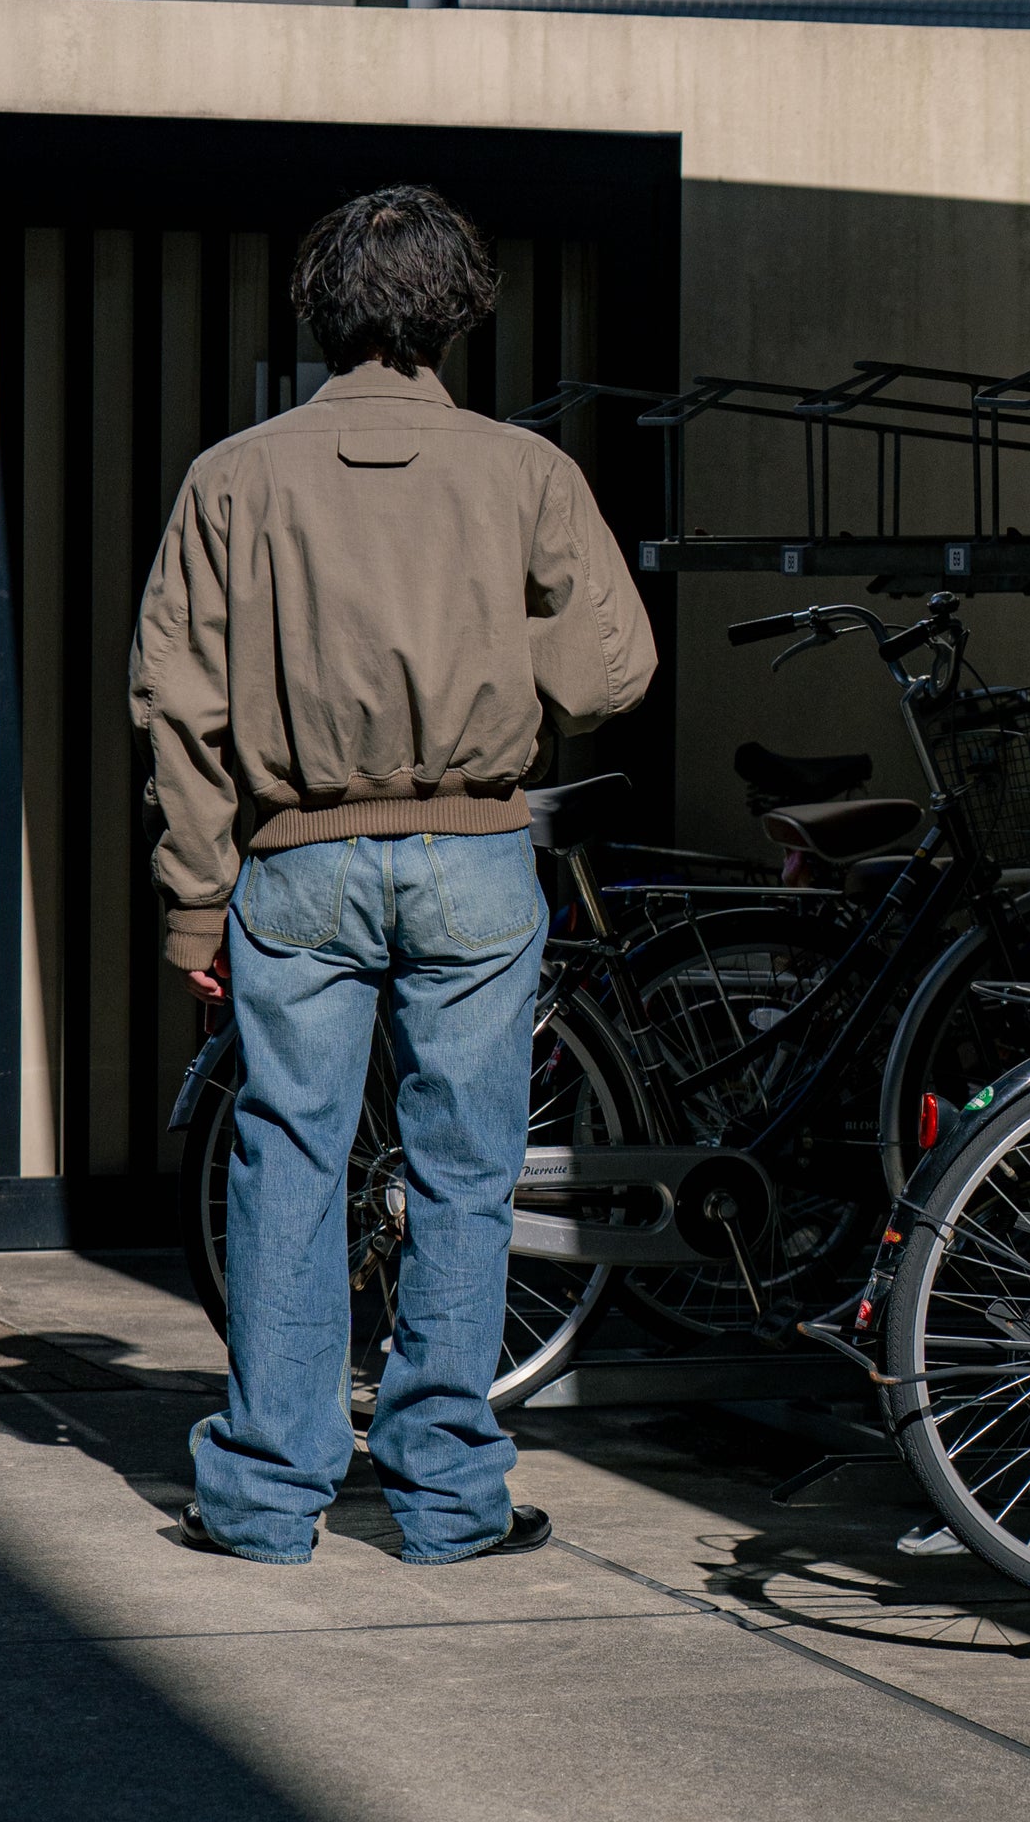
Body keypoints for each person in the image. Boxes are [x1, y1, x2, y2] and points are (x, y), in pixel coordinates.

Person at [129, 184, 656, 1565]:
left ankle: (261, 1498)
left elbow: (175, 705)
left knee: (287, 1164)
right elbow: (614, 666)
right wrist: (498, 658)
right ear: (457, 312)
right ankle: (445, 1498)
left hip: (294, 862)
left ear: (321, 312)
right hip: (475, 853)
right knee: (466, 1175)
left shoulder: (232, 478)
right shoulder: (522, 472)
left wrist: (194, 897)